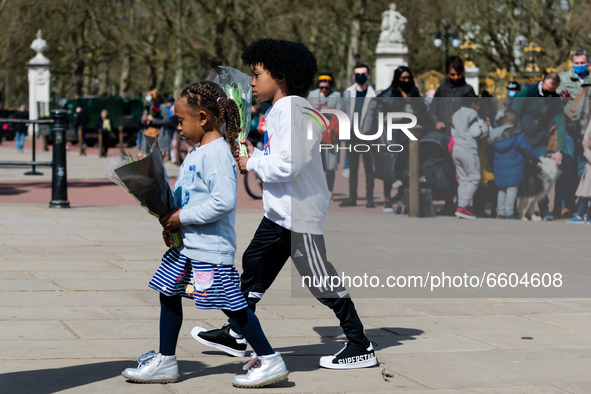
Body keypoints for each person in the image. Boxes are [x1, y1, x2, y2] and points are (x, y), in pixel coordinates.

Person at [192, 38, 378, 370]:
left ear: (279, 75)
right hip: (280, 213)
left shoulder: (293, 110)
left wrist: (252, 164)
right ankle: (237, 333)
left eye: (257, 74)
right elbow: (281, 160)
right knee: (253, 264)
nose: (251, 82)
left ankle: (359, 344)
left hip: (298, 214)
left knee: (321, 281)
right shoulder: (283, 110)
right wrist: (253, 153)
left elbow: (287, 165)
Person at [122, 80, 288, 388]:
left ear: (202, 118)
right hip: (188, 246)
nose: (179, 127)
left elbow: (222, 202)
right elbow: (191, 196)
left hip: (209, 250)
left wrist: (181, 217)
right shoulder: (200, 152)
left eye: (182, 120)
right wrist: (172, 219)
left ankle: (269, 359)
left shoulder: (216, 155)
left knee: (233, 306)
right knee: (168, 292)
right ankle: (167, 361)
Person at [364, 66, 427, 212]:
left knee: (408, 167)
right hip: (392, 137)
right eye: (403, 78)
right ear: (397, 79)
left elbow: (422, 112)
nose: (406, 81)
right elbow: (379, 117)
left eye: (408, 78)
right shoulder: (388, 95)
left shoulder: (414, 93)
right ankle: (387, 198)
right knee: (389, 168)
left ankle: (404, 197)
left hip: (410, 138)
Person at [512, 72, 565, 221]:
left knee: (543, 176)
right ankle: (515, 210)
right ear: (542, 82)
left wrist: (559, 150)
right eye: (547, 89)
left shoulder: (555, 99)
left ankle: (543, 210)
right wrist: (519, 136)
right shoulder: (527, 91)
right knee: (518, 173)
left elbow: (560, 123)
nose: (549, 92)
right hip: (522, 139)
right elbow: (514, 114)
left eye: (552, 90)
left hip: (540, 141)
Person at [429, 56, 476, 215]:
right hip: (445, 136)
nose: (455, 78)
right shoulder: (442, 90)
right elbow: (432, 110)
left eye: (458, 74)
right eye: (452, 75)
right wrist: (436, 122)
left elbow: (475, 110)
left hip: (462, 138)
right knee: (447, 171)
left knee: (462, 172)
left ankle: (461, 203)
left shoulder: (468, 90)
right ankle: (448, 202)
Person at [556, 49, 591, 218]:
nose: (579, 66)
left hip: (586, 131)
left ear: (588, 63)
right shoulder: (563, 78)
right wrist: (561, 98)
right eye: (576, 63)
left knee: (580, 170)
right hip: (568, 128)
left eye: (582, 63)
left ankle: (573, 203)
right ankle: (561, 205)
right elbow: (553, 97)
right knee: (566, 167)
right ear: (572, 63)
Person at [487, 110, 539, 219]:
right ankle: (509, 213)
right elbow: (527, 149)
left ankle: (501, 213)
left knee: (501, 190)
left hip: (499, 168)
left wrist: (493, 164)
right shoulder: (517, 134)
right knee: (511, 190)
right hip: (515, 168)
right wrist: (535, 159)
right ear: (514, 121)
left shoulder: (493, 135)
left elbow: (490, 153)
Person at [340, 63, 378, 208]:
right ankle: (352, 197)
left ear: (368, 76)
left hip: (368, 135)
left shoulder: (374, 95)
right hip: (351, 134)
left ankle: (370, 198)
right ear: (353, 76)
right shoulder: (347, 93)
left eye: (363, 74)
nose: (360, 76)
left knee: (369, 168)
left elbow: (377, 116)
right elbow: (342, 112)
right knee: (353, 167)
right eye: (358, 74)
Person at [451, 95, 490, 219]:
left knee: (463, 180)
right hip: (468, 150)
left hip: (456, 149)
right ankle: (462, 206)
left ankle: (461, 207)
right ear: (474, 103)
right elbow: (475, 132)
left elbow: (453, 133)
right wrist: (485, 128)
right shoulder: (472, 113)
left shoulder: (456, 114)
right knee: (474, 178)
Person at [308, 73, 341, 203]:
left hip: (331, 135)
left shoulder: (337, 96)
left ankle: (330, 192)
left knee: (331, 165)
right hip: (316, 135)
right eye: (322, 87)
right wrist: (313, 108)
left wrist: (327, 109)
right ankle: (316, 191)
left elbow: (341, 113)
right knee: (316, 164)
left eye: (327, 87)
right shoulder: (311, 95)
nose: (324, 89)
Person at [567, 136, 591, 223]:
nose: (587, 143)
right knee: (584, 198)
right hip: (588, 180)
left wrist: (586, 150)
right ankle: (580, 216)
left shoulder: (588, 151)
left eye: (589, 141)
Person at [140, 89, 170, 156]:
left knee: (158, 154)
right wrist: (144, 119)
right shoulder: (149, 106)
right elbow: (144, 119)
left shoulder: (162, 106)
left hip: (158, 133)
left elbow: (166, 120)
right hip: (149, 132)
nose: (147, 98)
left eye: (148, 96)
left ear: (154, 96)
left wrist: (153, 120)